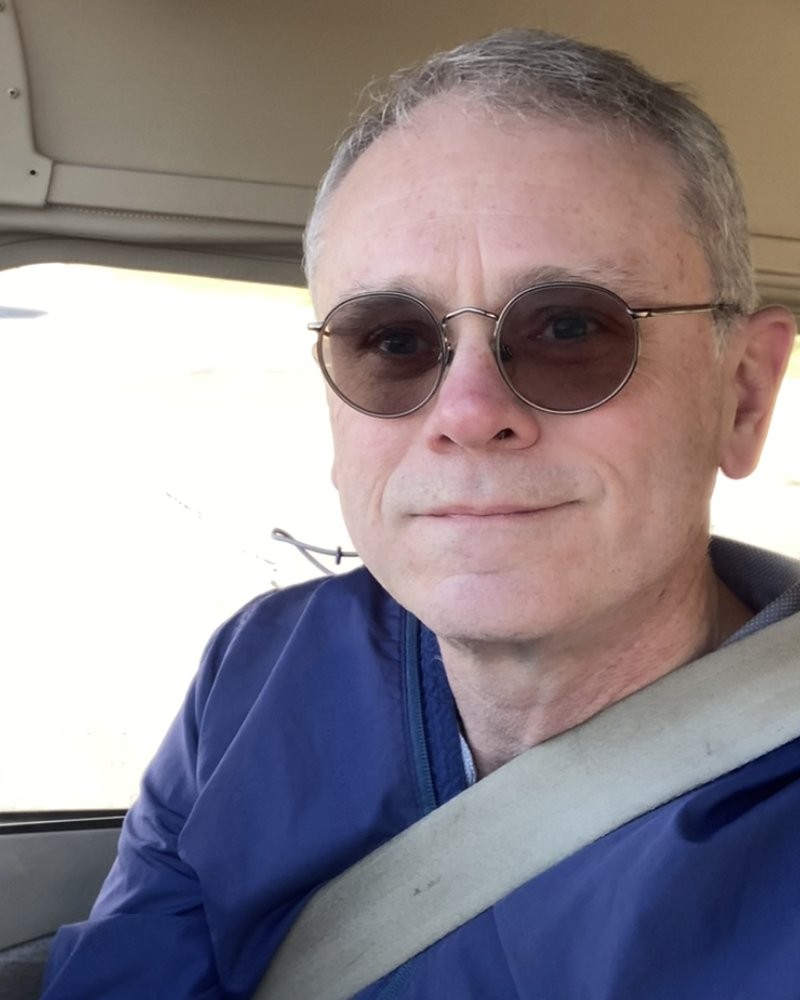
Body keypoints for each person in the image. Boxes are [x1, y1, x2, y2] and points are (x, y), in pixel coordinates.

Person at [43, 28, 799, 1000]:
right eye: (393, 340)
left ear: (739, 395)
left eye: (569, 329)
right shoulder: (260, 673)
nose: (468, 414)